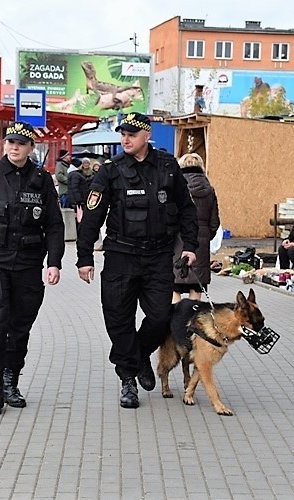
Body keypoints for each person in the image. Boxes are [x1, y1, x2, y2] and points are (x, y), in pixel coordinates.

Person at [75, 112, 199, 409]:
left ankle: (139, 354)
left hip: (158, 255)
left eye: (132, 133)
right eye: (123, 134)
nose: (125, 139)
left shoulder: (168, 167)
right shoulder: (110, 171)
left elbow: (187, 210)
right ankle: (128, 379)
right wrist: (84, 258)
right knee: (118, 318)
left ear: (146, 136)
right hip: (120, 255)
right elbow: (92, 217)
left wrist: (191, 245)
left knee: (159, 316)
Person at [0, 121, 65, 416]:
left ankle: (10, 382)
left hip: (28, 264)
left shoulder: (41, 179)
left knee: (20, 326)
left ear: (31, 147)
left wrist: (53, 262)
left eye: (21, 143)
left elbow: (54, 225)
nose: (14, 147)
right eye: (10, 142)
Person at [172, 153, 220, 302]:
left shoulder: (175, 187)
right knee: (196, 287)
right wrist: (205, 236)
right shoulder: (209, 190)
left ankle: (175, 321)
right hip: (200, 242)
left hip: (177, 240)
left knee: (174, 286)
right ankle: (191, 321)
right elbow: (214, 222)